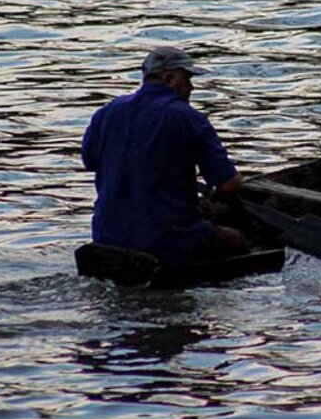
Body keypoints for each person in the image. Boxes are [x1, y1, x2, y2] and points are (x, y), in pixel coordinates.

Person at [81, 46, 247, 269]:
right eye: (187, 80)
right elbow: (228, 183)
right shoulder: (187, 117)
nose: (191, 88)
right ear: (169, 78)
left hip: (107, 234)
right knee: (236, 239)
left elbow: (90, 162)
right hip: (166, 239)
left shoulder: (107, 112)